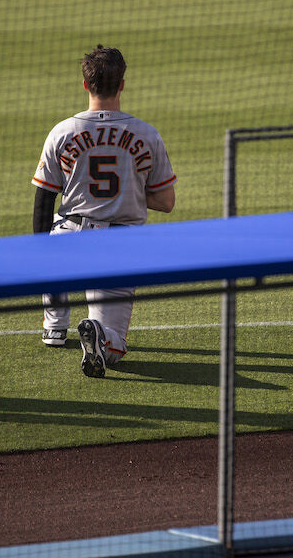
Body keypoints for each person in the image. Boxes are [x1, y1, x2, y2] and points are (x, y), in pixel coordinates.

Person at [31, 44, 177, 378]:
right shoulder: (146, 134)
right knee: (113, 347)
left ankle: (54, 326)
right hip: (117, 246)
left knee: (52, 235)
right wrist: (129, 194)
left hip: (67, 239)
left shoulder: (62, 132)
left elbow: (43, 202)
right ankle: (99, 334)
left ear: (85, 84)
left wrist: (38, 253)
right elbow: (166, 202)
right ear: (122, 84)